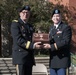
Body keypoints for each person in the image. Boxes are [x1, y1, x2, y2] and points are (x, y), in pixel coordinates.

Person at [11, 5, 41, 75]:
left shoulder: (30, 26)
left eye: (27, 12)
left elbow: (33, 38)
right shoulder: (15, 24)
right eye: (23, 12)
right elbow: (18, 40)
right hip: (20, 57)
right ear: (20, 13)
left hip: (29, 57)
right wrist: (32, 46)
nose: (25, 14)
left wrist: (40, 43)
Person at [43, 9, 72, 75]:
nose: (56, 18)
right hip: (53, 60)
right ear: (52, 18)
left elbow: (65, 41)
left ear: (61, 17)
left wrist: (51, 46)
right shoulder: (51, 28)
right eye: (54, 16)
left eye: (58, 16)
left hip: (62, 61)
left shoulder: (65, 28)